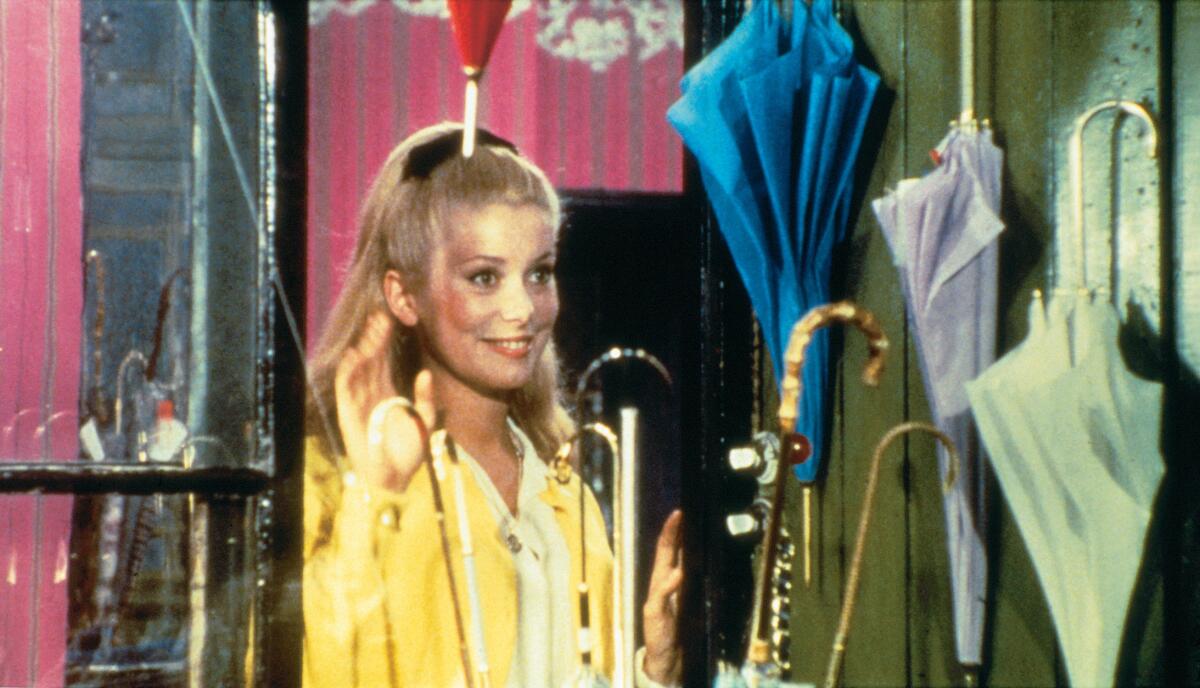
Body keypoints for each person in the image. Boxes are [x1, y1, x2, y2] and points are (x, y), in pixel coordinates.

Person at [303, 122, 683, 688]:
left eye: (540, 273)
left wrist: (655, 669)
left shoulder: (564, 492)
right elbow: (319, 666)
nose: (523, 308)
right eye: (484, 277)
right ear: (403, 296)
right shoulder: (333, 477)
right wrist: (375, 498)